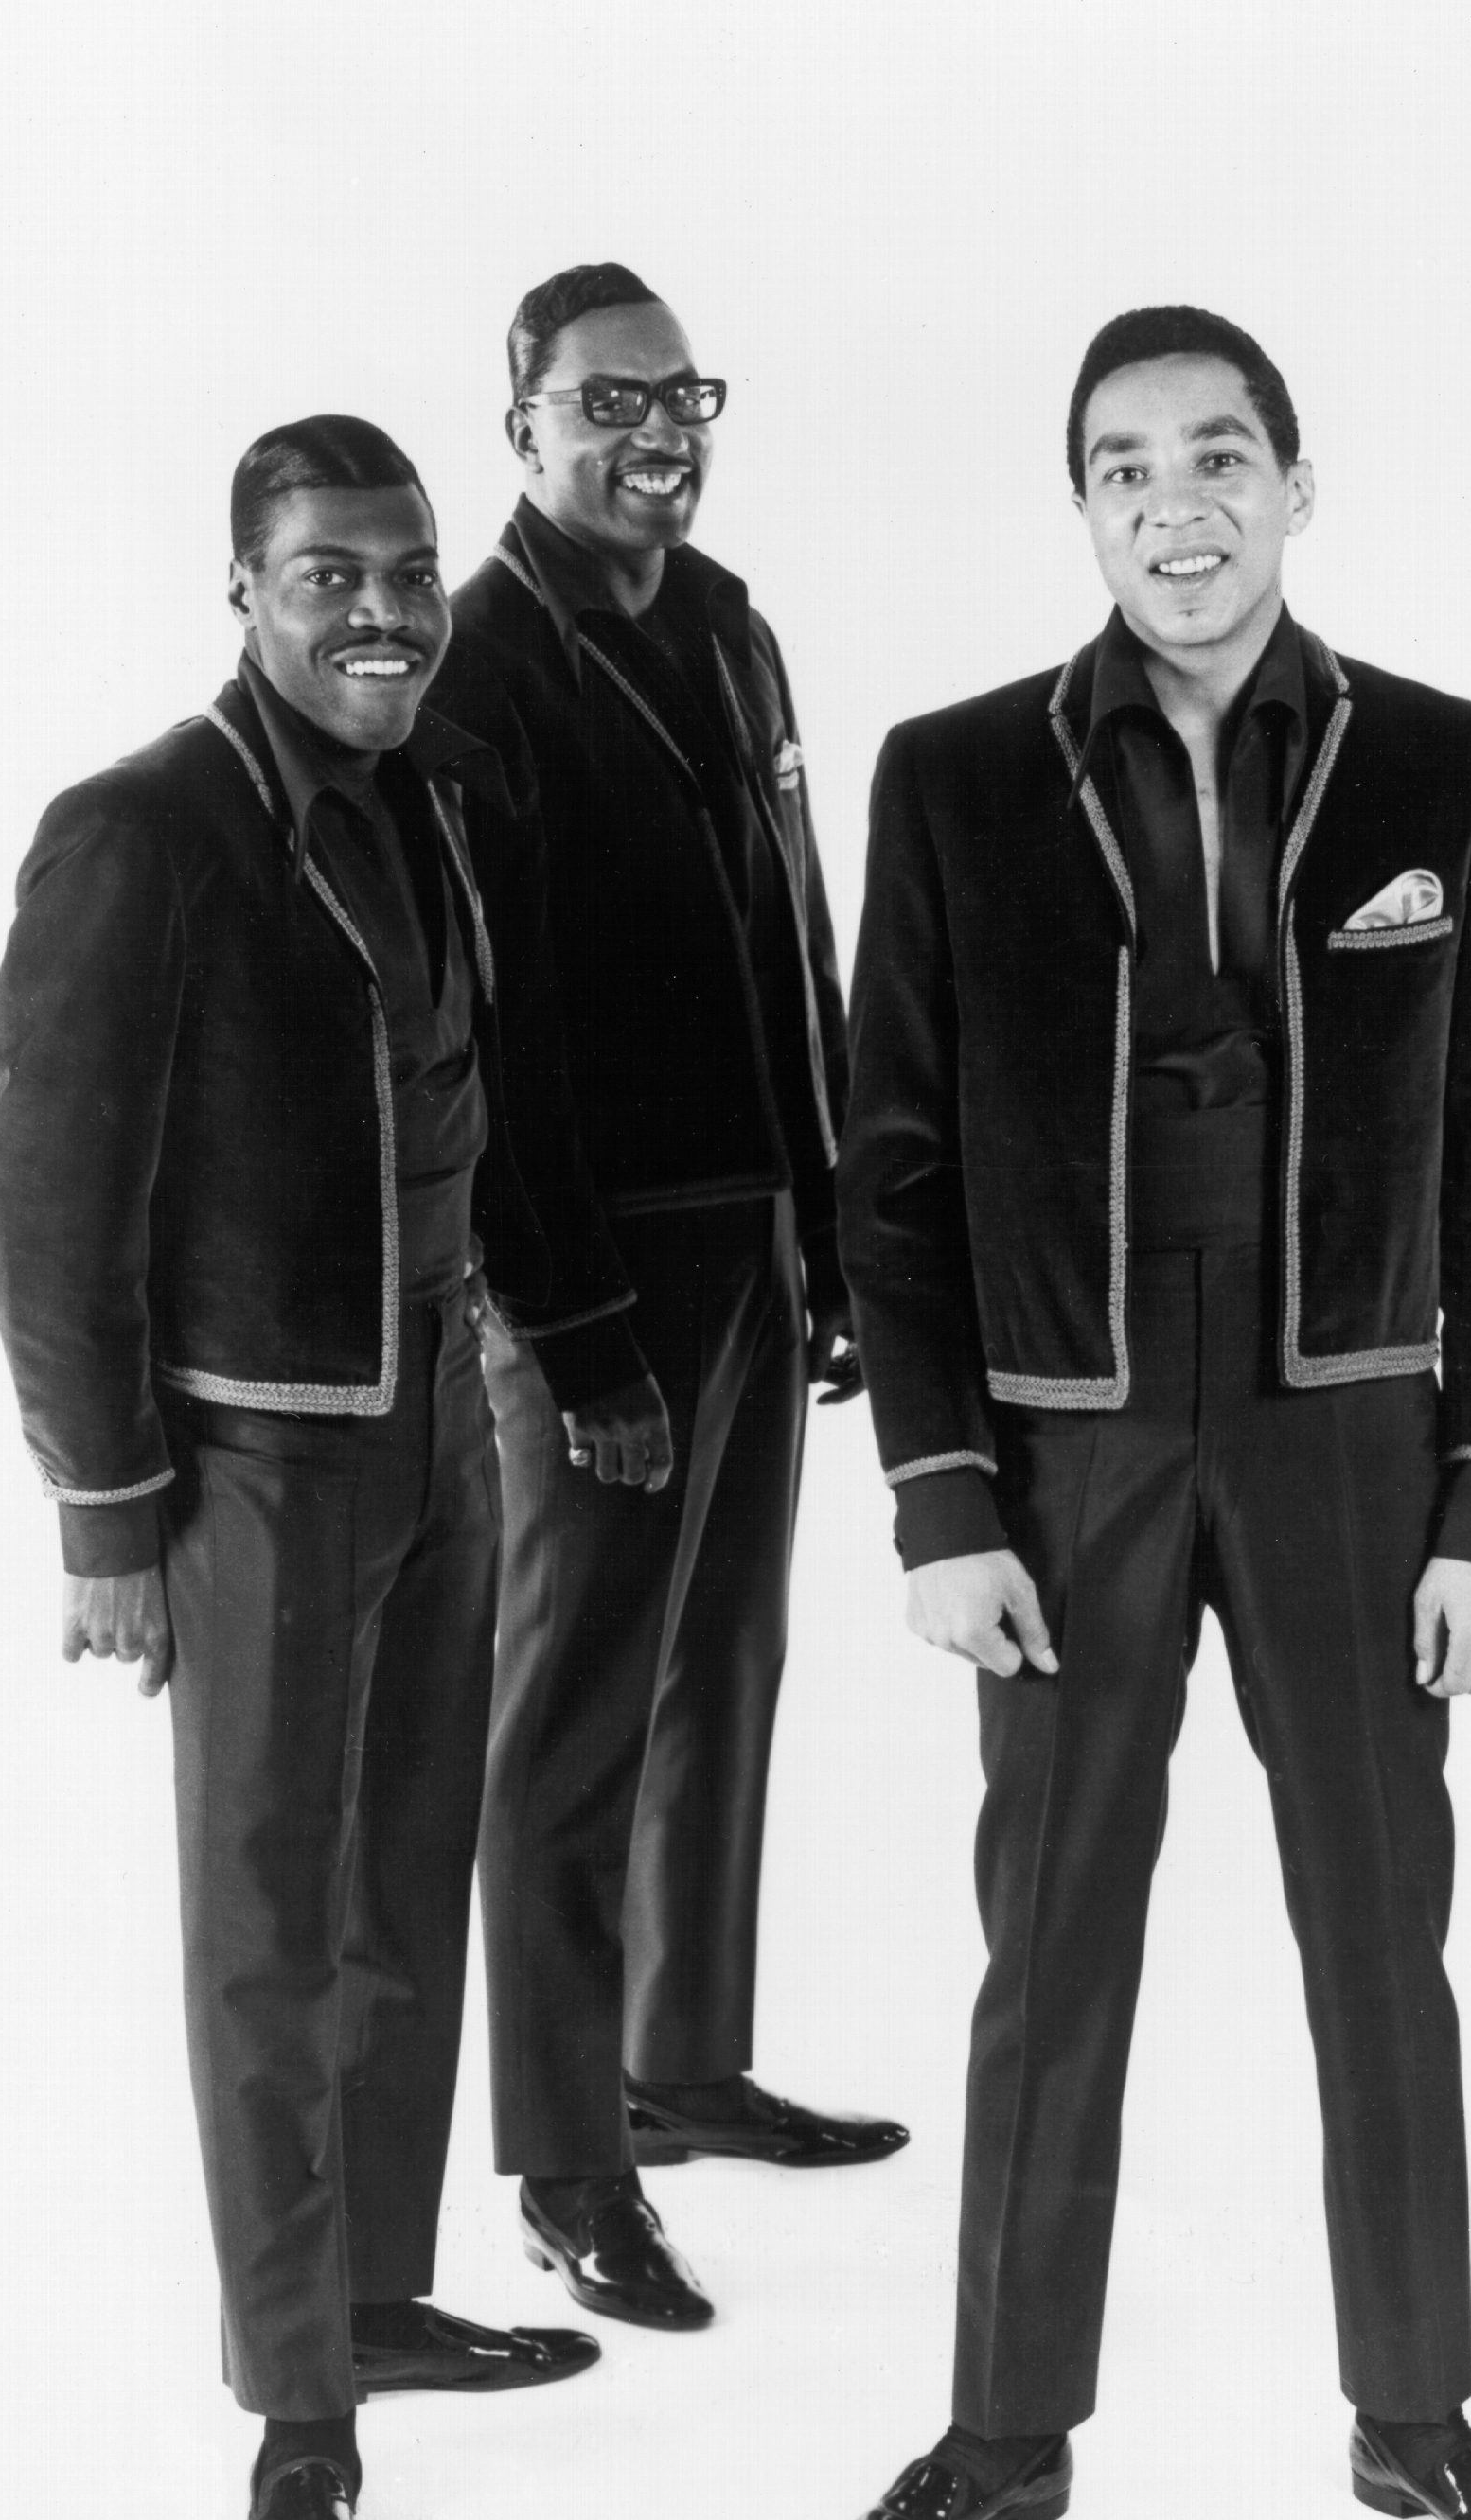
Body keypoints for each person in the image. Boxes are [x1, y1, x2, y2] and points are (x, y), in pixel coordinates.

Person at [810, 307, 1471, 2520]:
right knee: (1045, 1950)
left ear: (1294, 484)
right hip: (1063, 1454)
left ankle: (1420, 2421)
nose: (1179, 502)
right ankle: (999, 2432)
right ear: (1082, 507)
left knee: (1385, 1937)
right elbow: (894, 1169)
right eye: (1127, 465)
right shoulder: (953, 776)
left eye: (1221, 455)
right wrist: (941, 1497)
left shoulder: (1453, 769)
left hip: (1355, 1436)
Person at [0, 418, 621, 2520]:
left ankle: (374, 2296)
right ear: (244, 592)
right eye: (329, 573)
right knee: (263, 1938)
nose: (384, 609)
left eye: (412, 568)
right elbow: (42, 1187)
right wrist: (103, 1509)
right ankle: (295, 2409)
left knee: (399, 1885)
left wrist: (554, 1348)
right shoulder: (146, 830)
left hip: (438, 1416)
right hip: (247, 1464)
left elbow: (471, 1105)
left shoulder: (440, 790)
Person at [430, 262, 903, 2338]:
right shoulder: (477, 670)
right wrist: (574, 1321)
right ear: (521, 421)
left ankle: (682, 2059)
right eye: (608, 401)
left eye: (681, 396)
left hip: (758, 1236)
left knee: (727, 1668)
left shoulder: (728, 625)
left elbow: (798, 944)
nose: (656, 433)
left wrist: (837, 1226)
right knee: (573, 1715)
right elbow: (492, 1041)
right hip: (592, 1271)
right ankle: (561, 2155)